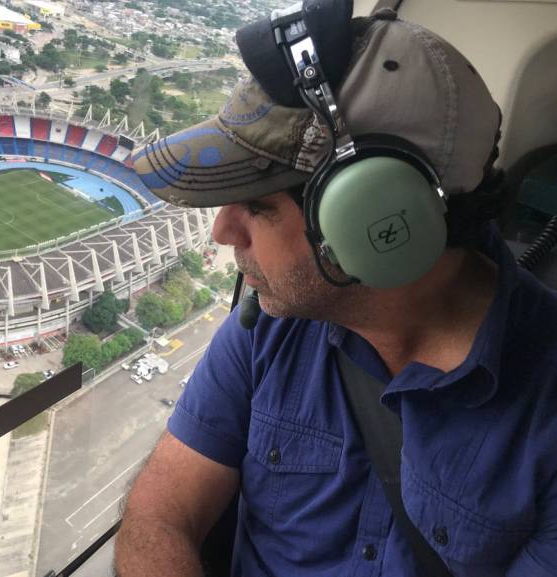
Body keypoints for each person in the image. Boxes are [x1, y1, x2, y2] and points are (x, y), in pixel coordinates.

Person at [114, 5, 557, 577]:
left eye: (256, 206)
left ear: (374, 218)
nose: (223, 232)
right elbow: (158, 516)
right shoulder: (270, 324)